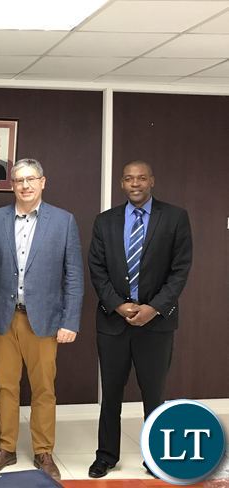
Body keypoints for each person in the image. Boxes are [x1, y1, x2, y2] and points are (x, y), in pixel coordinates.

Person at [0, 158, 84, 481]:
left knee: (43, 388)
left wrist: (70, 321)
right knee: (5, 387)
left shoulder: (63, 221)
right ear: (12, 185)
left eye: (31, 179)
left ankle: (43, 451)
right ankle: (6, 448)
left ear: (42, 182)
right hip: (3, 318)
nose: (25, 185)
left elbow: (74, 275)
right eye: (19, 180)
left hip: (45, 319)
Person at [87, 160, 192, 479]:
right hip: (113, 322)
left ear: (152, 181)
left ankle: (156, 458)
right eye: (129, 179)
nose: (135, 183)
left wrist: (153, 308)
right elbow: (97, 269)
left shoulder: (175, 217)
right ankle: (106, 456)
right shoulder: (105, 221)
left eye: (142, 178)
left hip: (156, 324)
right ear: (121, 183)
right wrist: (118, 305)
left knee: (154, 394)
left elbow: (180, 270)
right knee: (111, 395)